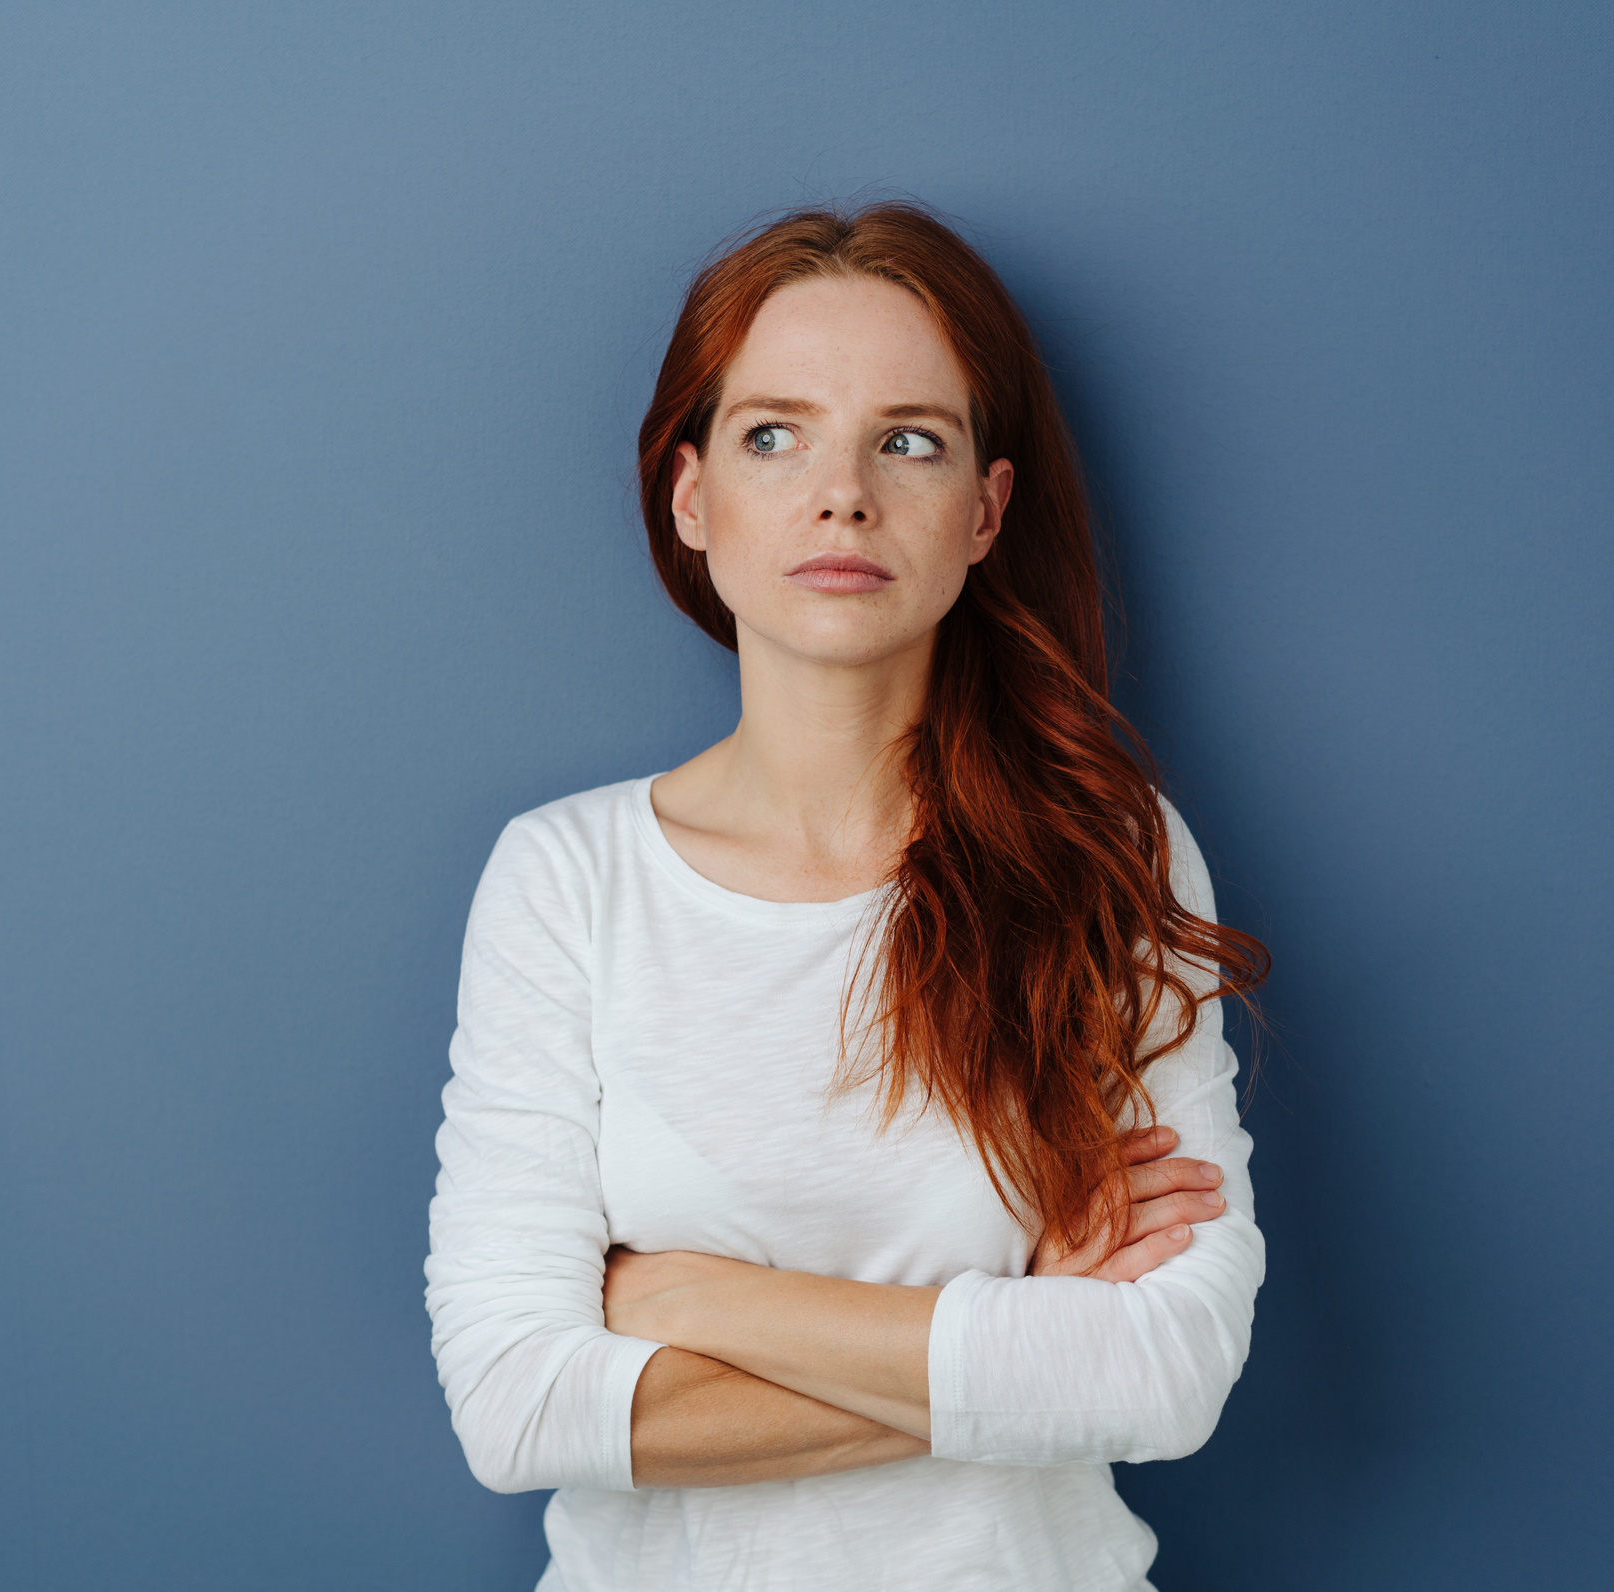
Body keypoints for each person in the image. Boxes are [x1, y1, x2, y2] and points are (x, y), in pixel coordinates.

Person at [425, 202, 1271, 1591]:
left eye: (908, 440)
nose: (843, 496)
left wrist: (689, 1297)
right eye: (774, 435)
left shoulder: (1104, 851)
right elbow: (517, 1408)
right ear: (690, 496)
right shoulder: (566, 880)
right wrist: (1023, 1330)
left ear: (984, 510)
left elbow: (1162, 1378)